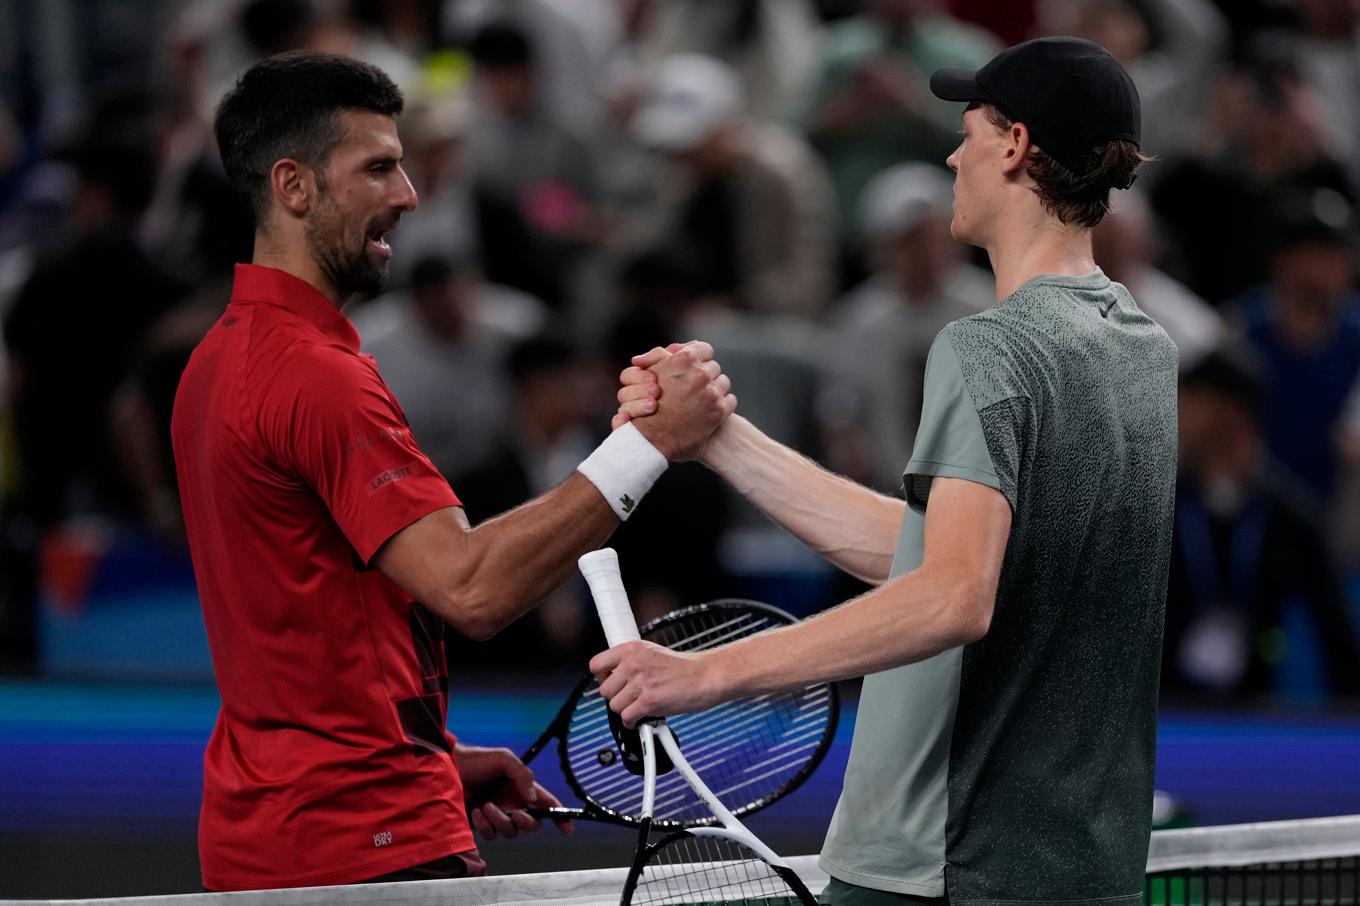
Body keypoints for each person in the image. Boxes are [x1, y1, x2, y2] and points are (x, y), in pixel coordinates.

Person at [598, 37, 1178, 904]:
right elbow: (935, 554)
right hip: (1084, 867)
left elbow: (950, 596)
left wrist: (702, 674)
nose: (953, 153)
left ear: (1015, 146)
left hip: (945, 867)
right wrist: (719, 437)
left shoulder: (991, 348)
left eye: (970, 131)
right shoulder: (1144, 348)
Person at [171, 51, 734, 892]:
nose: (408, 194)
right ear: (293, 186)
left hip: (283, 830)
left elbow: (302, 628)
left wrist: (434, 758)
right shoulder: (312, 375)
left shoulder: (217, 362)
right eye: (378, 168)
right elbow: (471, 588)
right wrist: (646, 444)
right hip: (364, 841)